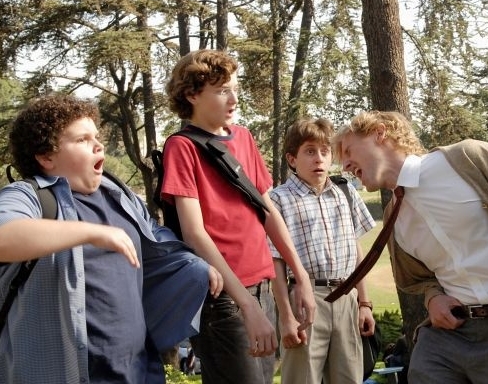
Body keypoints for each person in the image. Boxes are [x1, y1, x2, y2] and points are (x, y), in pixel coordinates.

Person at [0, 94, 222, 383]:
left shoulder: (119, 194)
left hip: (138, 371)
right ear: (46, 157)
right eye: (82, 140)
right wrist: (92, 232)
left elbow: (155, 238)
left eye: (97, 136)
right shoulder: (29, 196)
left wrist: (192, 265)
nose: (98, 145)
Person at [334, 111, 488, 384]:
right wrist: (433, 297)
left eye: (348, 151)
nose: (345, 166)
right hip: (447, 338)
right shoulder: (393, 217)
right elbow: (419, 278)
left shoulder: (468, 158)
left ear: (379, 132)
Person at [160, 49, 316, 384]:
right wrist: (246, 305)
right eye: (221, 91)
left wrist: (300, 275)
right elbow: (194, 234)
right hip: (223, 299)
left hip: (262, 289)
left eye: (235, 88)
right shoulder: (182, 147)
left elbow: (267, 210)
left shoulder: (243, 137)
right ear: (192, 95)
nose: (233, 99)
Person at [267, 117, 376, 383]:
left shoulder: (345, 192)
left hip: (347, 297)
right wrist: (286, 317)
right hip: (305, 299)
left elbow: (356, 250)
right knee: (303, 378)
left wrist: (364, 303)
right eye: (310, 151)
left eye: (325, 152)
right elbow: (275, 264)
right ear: (292, 159)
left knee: (349, 377)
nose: (319, 159)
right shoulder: (278, 200)